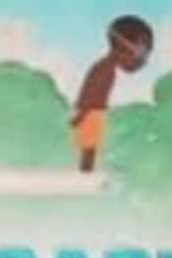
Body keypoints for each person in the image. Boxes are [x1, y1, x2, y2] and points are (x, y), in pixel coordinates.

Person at [66, 12, 155, 183]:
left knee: (90, 148)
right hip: (91, 114)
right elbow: (90, 95)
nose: (143, 59)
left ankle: (87, 174)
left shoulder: (107, 68)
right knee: (88, 149)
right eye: (142, 51)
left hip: (94, 114)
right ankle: (85, 176)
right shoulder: (105, 70)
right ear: (125, 46)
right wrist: (81, 116)